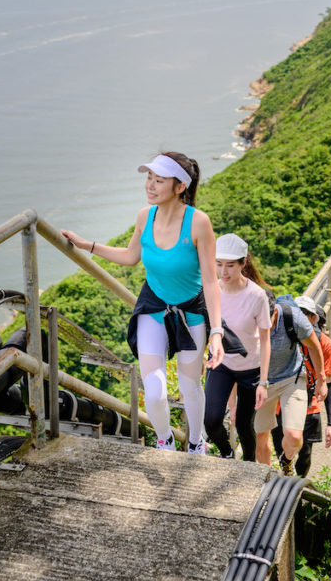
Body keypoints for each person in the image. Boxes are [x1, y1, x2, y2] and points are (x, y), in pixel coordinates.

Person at [62, 151, 225, 455]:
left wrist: (217, 331)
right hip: (153, 307)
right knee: (155, 391)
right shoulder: (144, 216)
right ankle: (165, 440)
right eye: (149, 177)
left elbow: (211, 281)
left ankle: (195, 442)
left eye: (159, 180)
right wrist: (87, 246)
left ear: (179, 187)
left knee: (190, 387)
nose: (150, 185)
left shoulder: (198, 223)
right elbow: (131, 256)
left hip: (190, 311)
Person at [204, 233, 271, 460]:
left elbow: (265, 340)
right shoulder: (211, 290)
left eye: (230, 266)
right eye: (219, 264)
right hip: (220, 364)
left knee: (243, 423)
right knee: (211, 420)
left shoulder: (257, 296)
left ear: (243, 263)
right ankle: (226, 453)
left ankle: (249, 463)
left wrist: (263, 381)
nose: (224, 272)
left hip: (250, 369)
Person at [254, 293, 327, 475]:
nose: (265, 326)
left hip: (291, 378)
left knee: (294, 436)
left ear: (275, 313)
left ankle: (286, 461)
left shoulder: (293, 318)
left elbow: (314, 346)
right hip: (261, 382)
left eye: (268, 320)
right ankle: (266, 478)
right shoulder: (247, 321)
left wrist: (321, 380)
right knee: (261, 435)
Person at [272, 295, 331, 477]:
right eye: (296, 312)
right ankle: (287, 485)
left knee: (305, 454)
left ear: (313, 318)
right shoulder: (285, 336)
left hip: (310, 405)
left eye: (304, 313)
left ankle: (297, 489)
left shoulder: (325, 344)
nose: (299, 317)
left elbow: (328, 382)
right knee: (283, 452)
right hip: (282, 403)